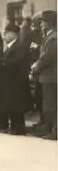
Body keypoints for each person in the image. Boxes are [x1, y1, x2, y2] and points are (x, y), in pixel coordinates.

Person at [31, 10, 57, 140]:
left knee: (51, 106)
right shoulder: (49, 36)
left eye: (43, 22)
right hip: (46, 76)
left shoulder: (53, 38)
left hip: (50, 77)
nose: (41, 25)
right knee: (48, 105)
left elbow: (46, 57)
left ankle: (55, 131)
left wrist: (35, 67)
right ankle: (51, 129)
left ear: (49, 23)